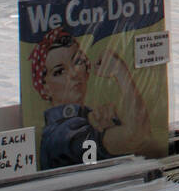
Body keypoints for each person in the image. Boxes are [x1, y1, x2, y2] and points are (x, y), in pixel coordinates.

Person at [29, 27, 155, 170]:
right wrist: (120, 72)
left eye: (77, 61)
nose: (74, 74)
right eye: (59, 71)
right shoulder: (61, 135)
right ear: (44, 88)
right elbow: (137, 136)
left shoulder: (87, 118)